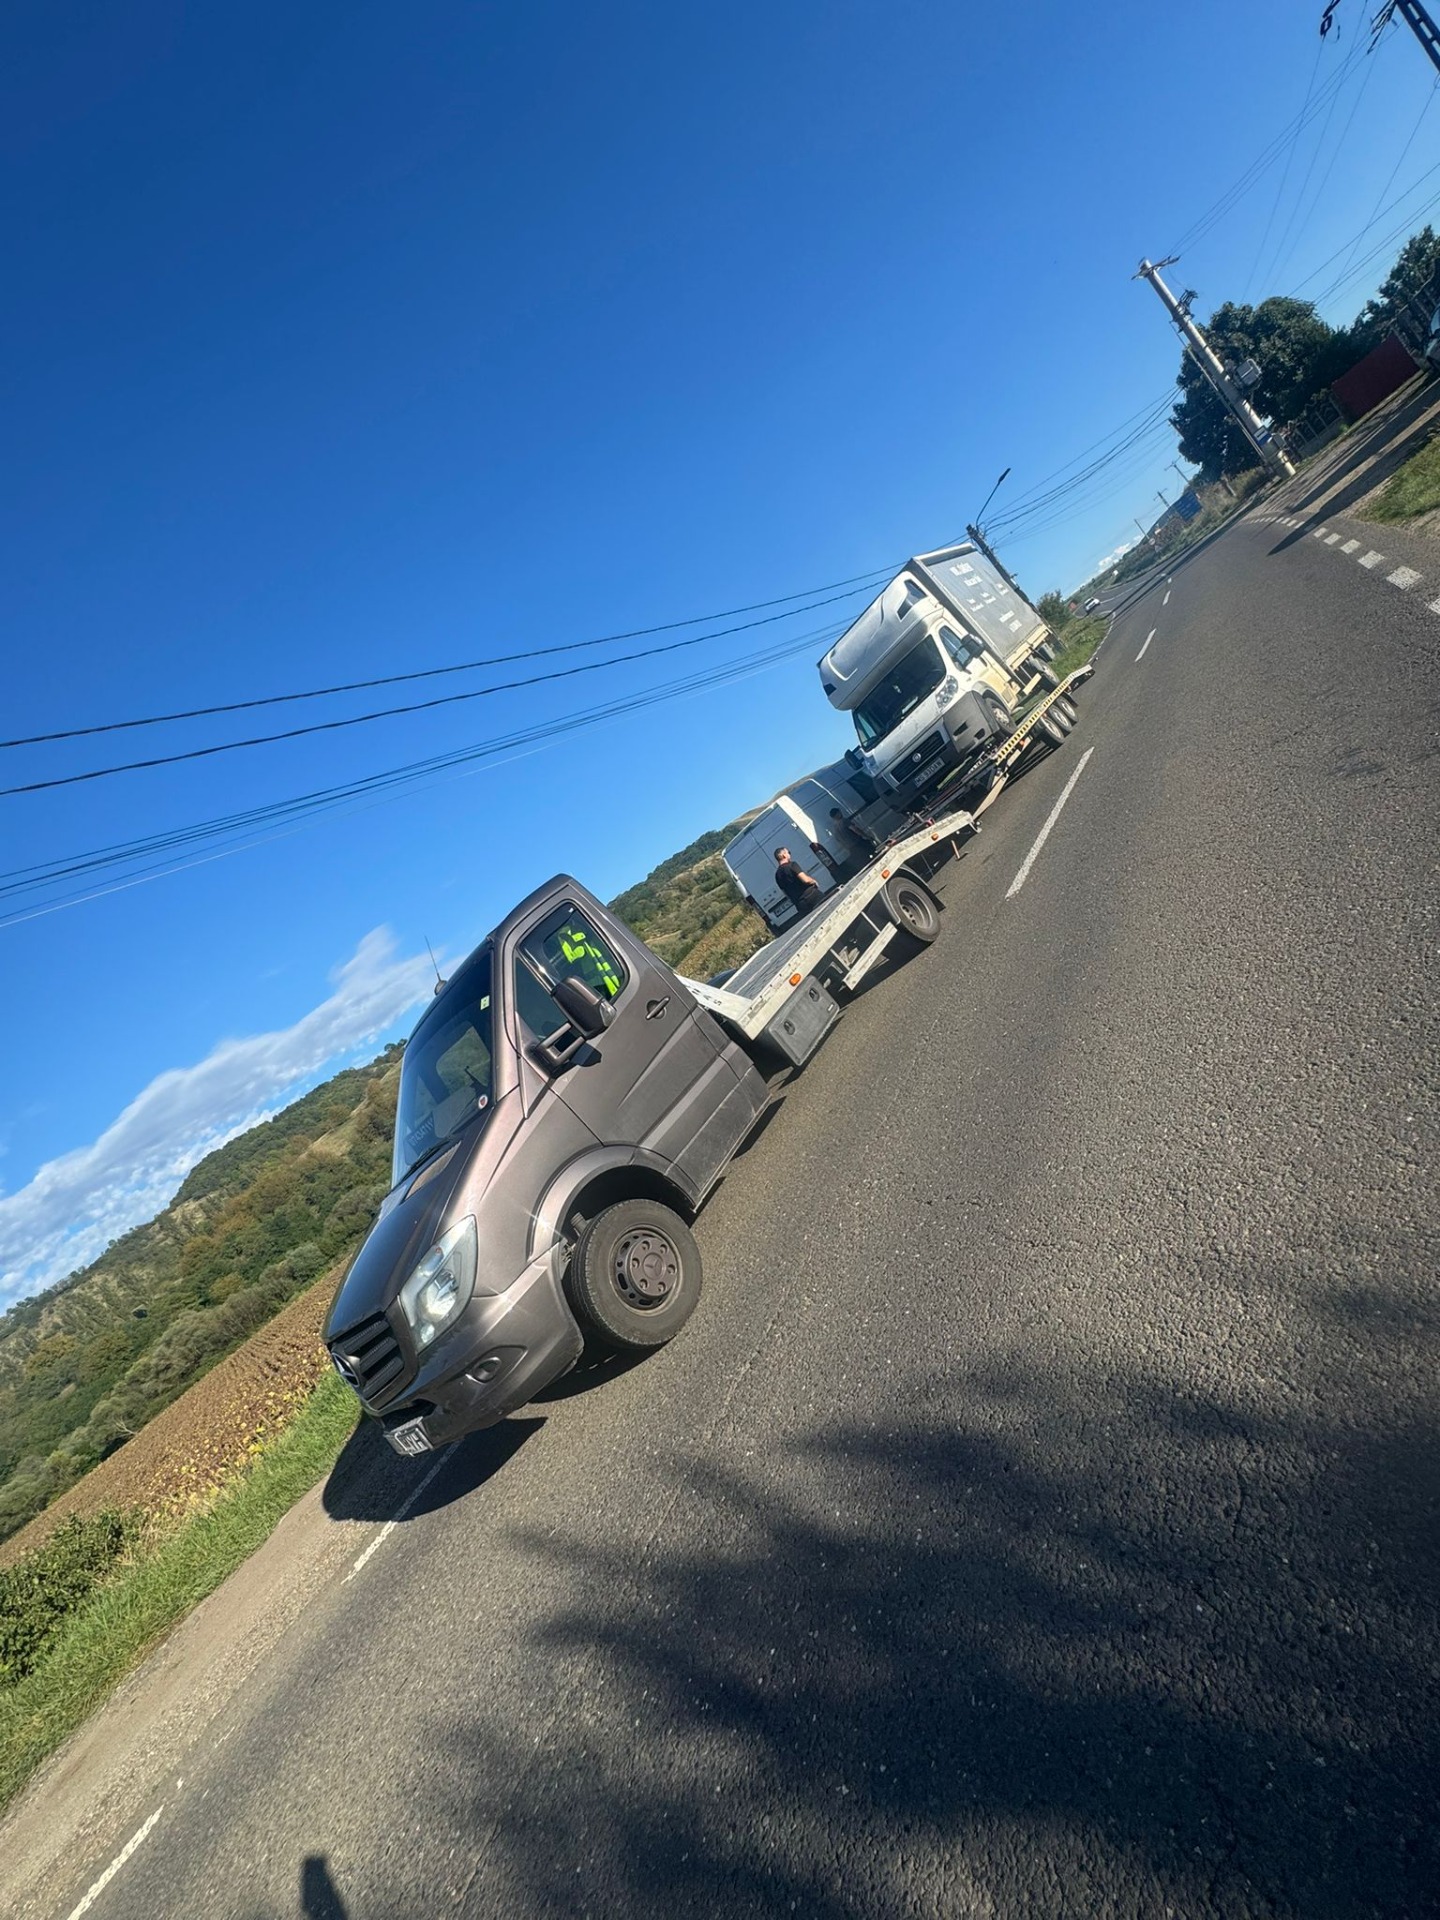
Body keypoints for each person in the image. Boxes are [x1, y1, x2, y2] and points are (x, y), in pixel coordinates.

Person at [828, 806, 878, 876]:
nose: (841, 813)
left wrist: (847, 848)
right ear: (837, 814)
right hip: (858, 843)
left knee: (864, 861)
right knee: (872, 852)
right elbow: (855, 829)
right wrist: (866, 836)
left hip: (851, 848)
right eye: (839, 812)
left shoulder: (834, 828)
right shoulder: (844, 821)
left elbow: (839, 840)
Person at [773, 847, 823, 918]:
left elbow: (785, 893)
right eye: (788, 852)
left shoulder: (777, 875)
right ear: (784, 855)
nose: (790, 855)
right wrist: (813, 881)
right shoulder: (792, 865)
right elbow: (805, 880)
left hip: (800, 904)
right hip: (811, 895)